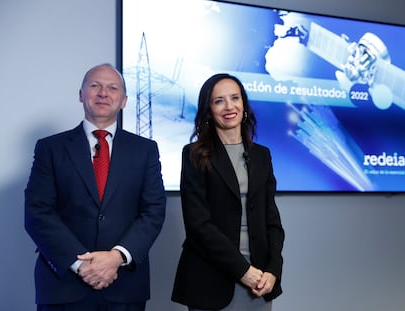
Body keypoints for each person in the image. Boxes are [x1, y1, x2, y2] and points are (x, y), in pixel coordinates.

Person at [25, 63, 166, 311]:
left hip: (124, 286)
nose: (103, 93)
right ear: (81, 94)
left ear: (123, 100)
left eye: (112, 88)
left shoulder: (145, 150)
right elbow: (38, 213)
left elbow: (153, 211)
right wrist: (81, 265)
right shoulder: (50, 148)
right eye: (95, 86)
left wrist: (116, 257)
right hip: (63, 286)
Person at [171, 73, 284, 311]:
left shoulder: (262, 155)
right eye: (219, 100)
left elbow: (272, 222)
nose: (229, 106)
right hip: (212, 279)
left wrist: (273, 271)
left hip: (260, 281)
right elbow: (198, 225)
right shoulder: (193, 155)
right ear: (208, 110)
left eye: (235, 98)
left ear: (244, 105)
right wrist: (243, 271)